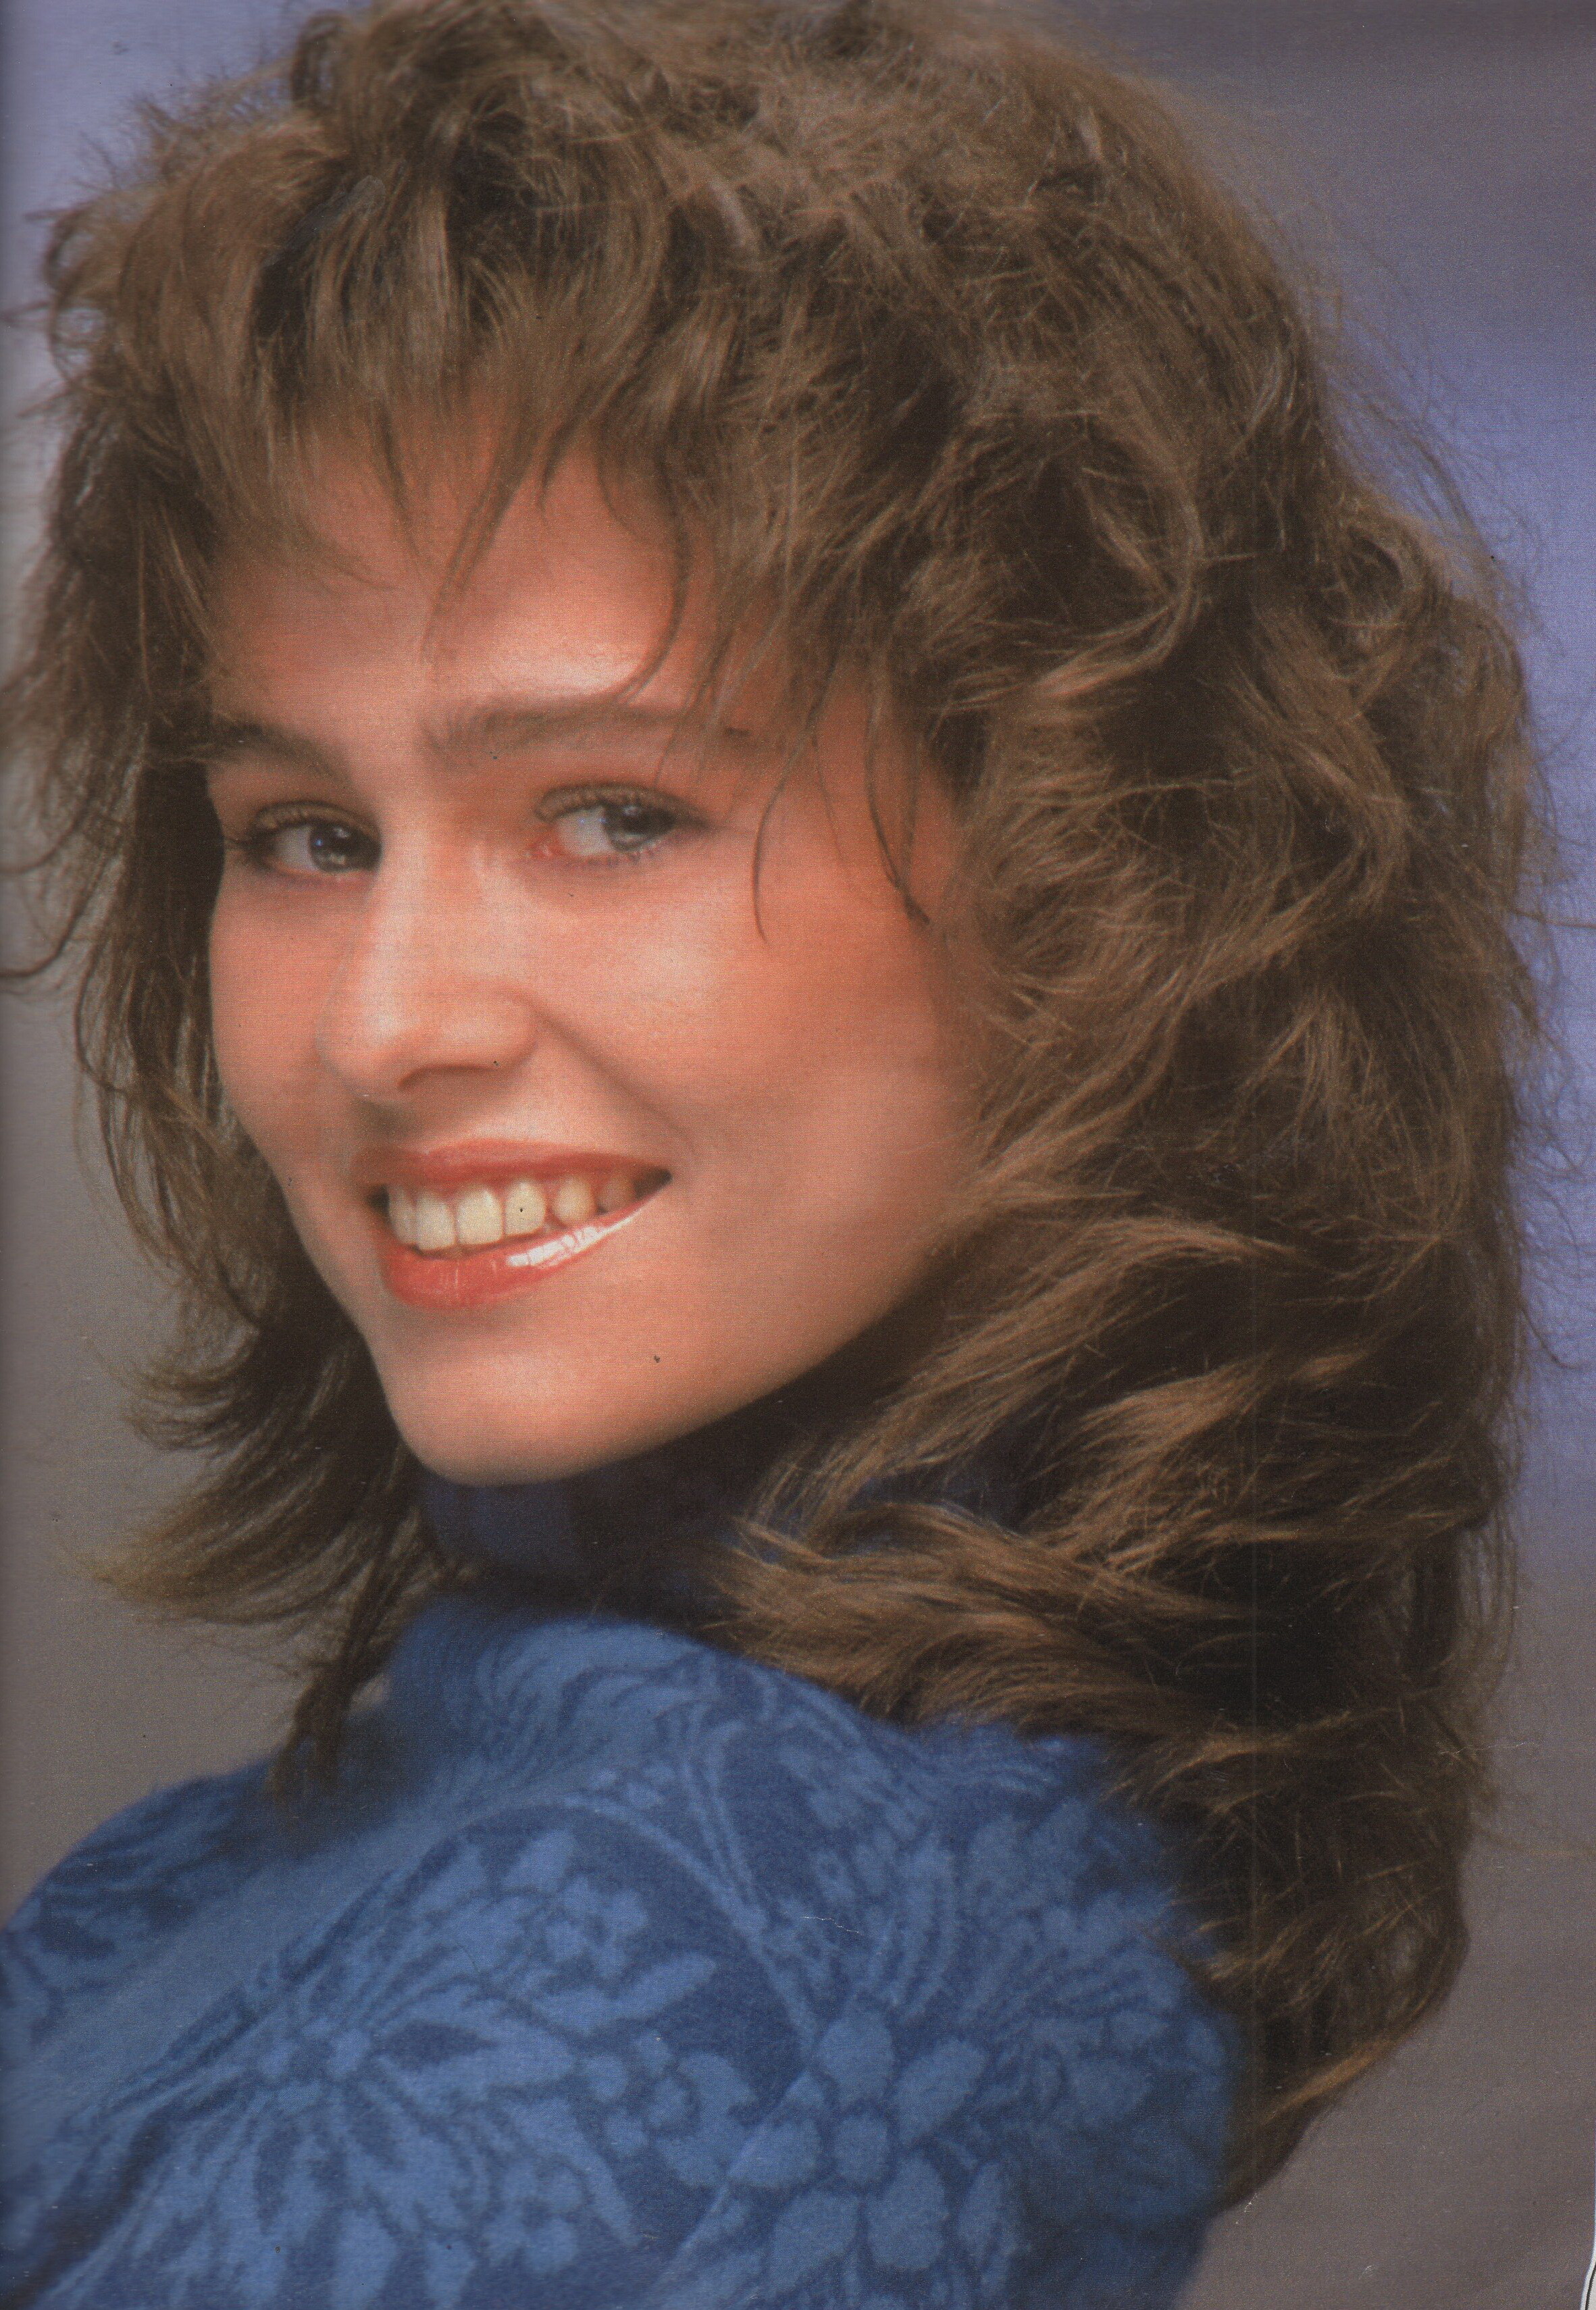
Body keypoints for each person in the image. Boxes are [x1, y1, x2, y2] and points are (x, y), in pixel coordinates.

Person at [0, 1, 1540, 2303]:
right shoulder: (562, 1774)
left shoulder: (680, 1983)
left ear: (1102, 886)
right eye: (304, 831)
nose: (386, 1024)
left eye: (612, 813)